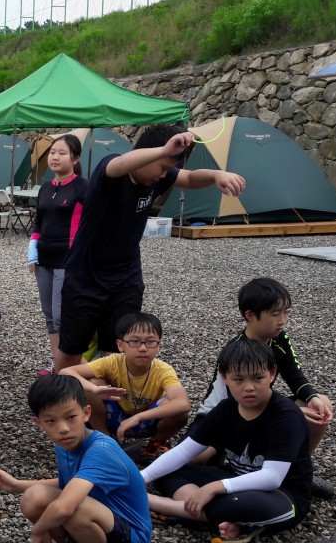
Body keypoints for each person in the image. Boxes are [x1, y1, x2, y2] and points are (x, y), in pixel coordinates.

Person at [56, 124, 246, 373]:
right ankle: (60, 402)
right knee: (71, 350)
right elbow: (122, 163)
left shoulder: (160, 175)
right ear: (151, 153)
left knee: (119, 350)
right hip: (85, 277)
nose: (163, 175)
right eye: (163, 167)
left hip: (126, 278)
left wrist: (215, 176)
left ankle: (109, 408)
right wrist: (163, 151)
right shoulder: (112, 170)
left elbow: (188, 178)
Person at [0, 375, 152, 543]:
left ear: (86, 413)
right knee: (33, 498)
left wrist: (38, 531)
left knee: (73, 508)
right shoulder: (65, 443)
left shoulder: (101, 450)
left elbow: (65, 504)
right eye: (51, 421)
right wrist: (17, 485)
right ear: (39, 423)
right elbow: (68, 484)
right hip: (98, 520)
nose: (63, 428)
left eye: (71, 417)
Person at [142, 339, 313, 543]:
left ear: (272, 373)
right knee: (167, 470)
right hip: (237, 477)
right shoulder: (226, 409)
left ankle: (156, 504)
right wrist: (140, 479)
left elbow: (272, 477)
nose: (248, 387)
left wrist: (217, 487)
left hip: (283, 493)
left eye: (258, 378)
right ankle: (206, 513)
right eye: (238, 379)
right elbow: (184, 452)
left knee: (236, 505)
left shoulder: (286, 416)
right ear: (225, 378)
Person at [193, 278, 334, 486]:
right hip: (221, 415)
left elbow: (296, 377)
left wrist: (311, 397)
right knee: (193, 460)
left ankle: (297, 470)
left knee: (320, 404)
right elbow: (237, 402)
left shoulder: (280, 340)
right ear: (250, 316)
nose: (283, 320)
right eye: (275, 314)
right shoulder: (236, 350)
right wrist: (289, 412)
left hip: (257, 408)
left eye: (286, 313)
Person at [61, 312, 190, 465]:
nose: (143, 348)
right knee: (92, 383)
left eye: (150, 342)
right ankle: (106, 441)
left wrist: (138, 417)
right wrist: (94, 389)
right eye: (135, 341)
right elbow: (66, 372)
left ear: (158, 346)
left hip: (147, 421)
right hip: (113, 417)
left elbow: (183, 403)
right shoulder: (112, 362)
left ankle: (155, 444)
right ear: (120, 345)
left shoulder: (163, 370)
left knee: (177, 409)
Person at [27, 134, 87, 375]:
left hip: (68, 259)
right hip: (44, 260)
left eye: (62, 153)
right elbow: (39, 222)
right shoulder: (45, 187)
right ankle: (57, 363)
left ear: (75, 158)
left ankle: (70, 367)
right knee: (50, 316)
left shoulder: (83, 187)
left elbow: (91, 224)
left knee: (63, 316)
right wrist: (32, 250)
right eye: (53, 152)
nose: (55, 157)